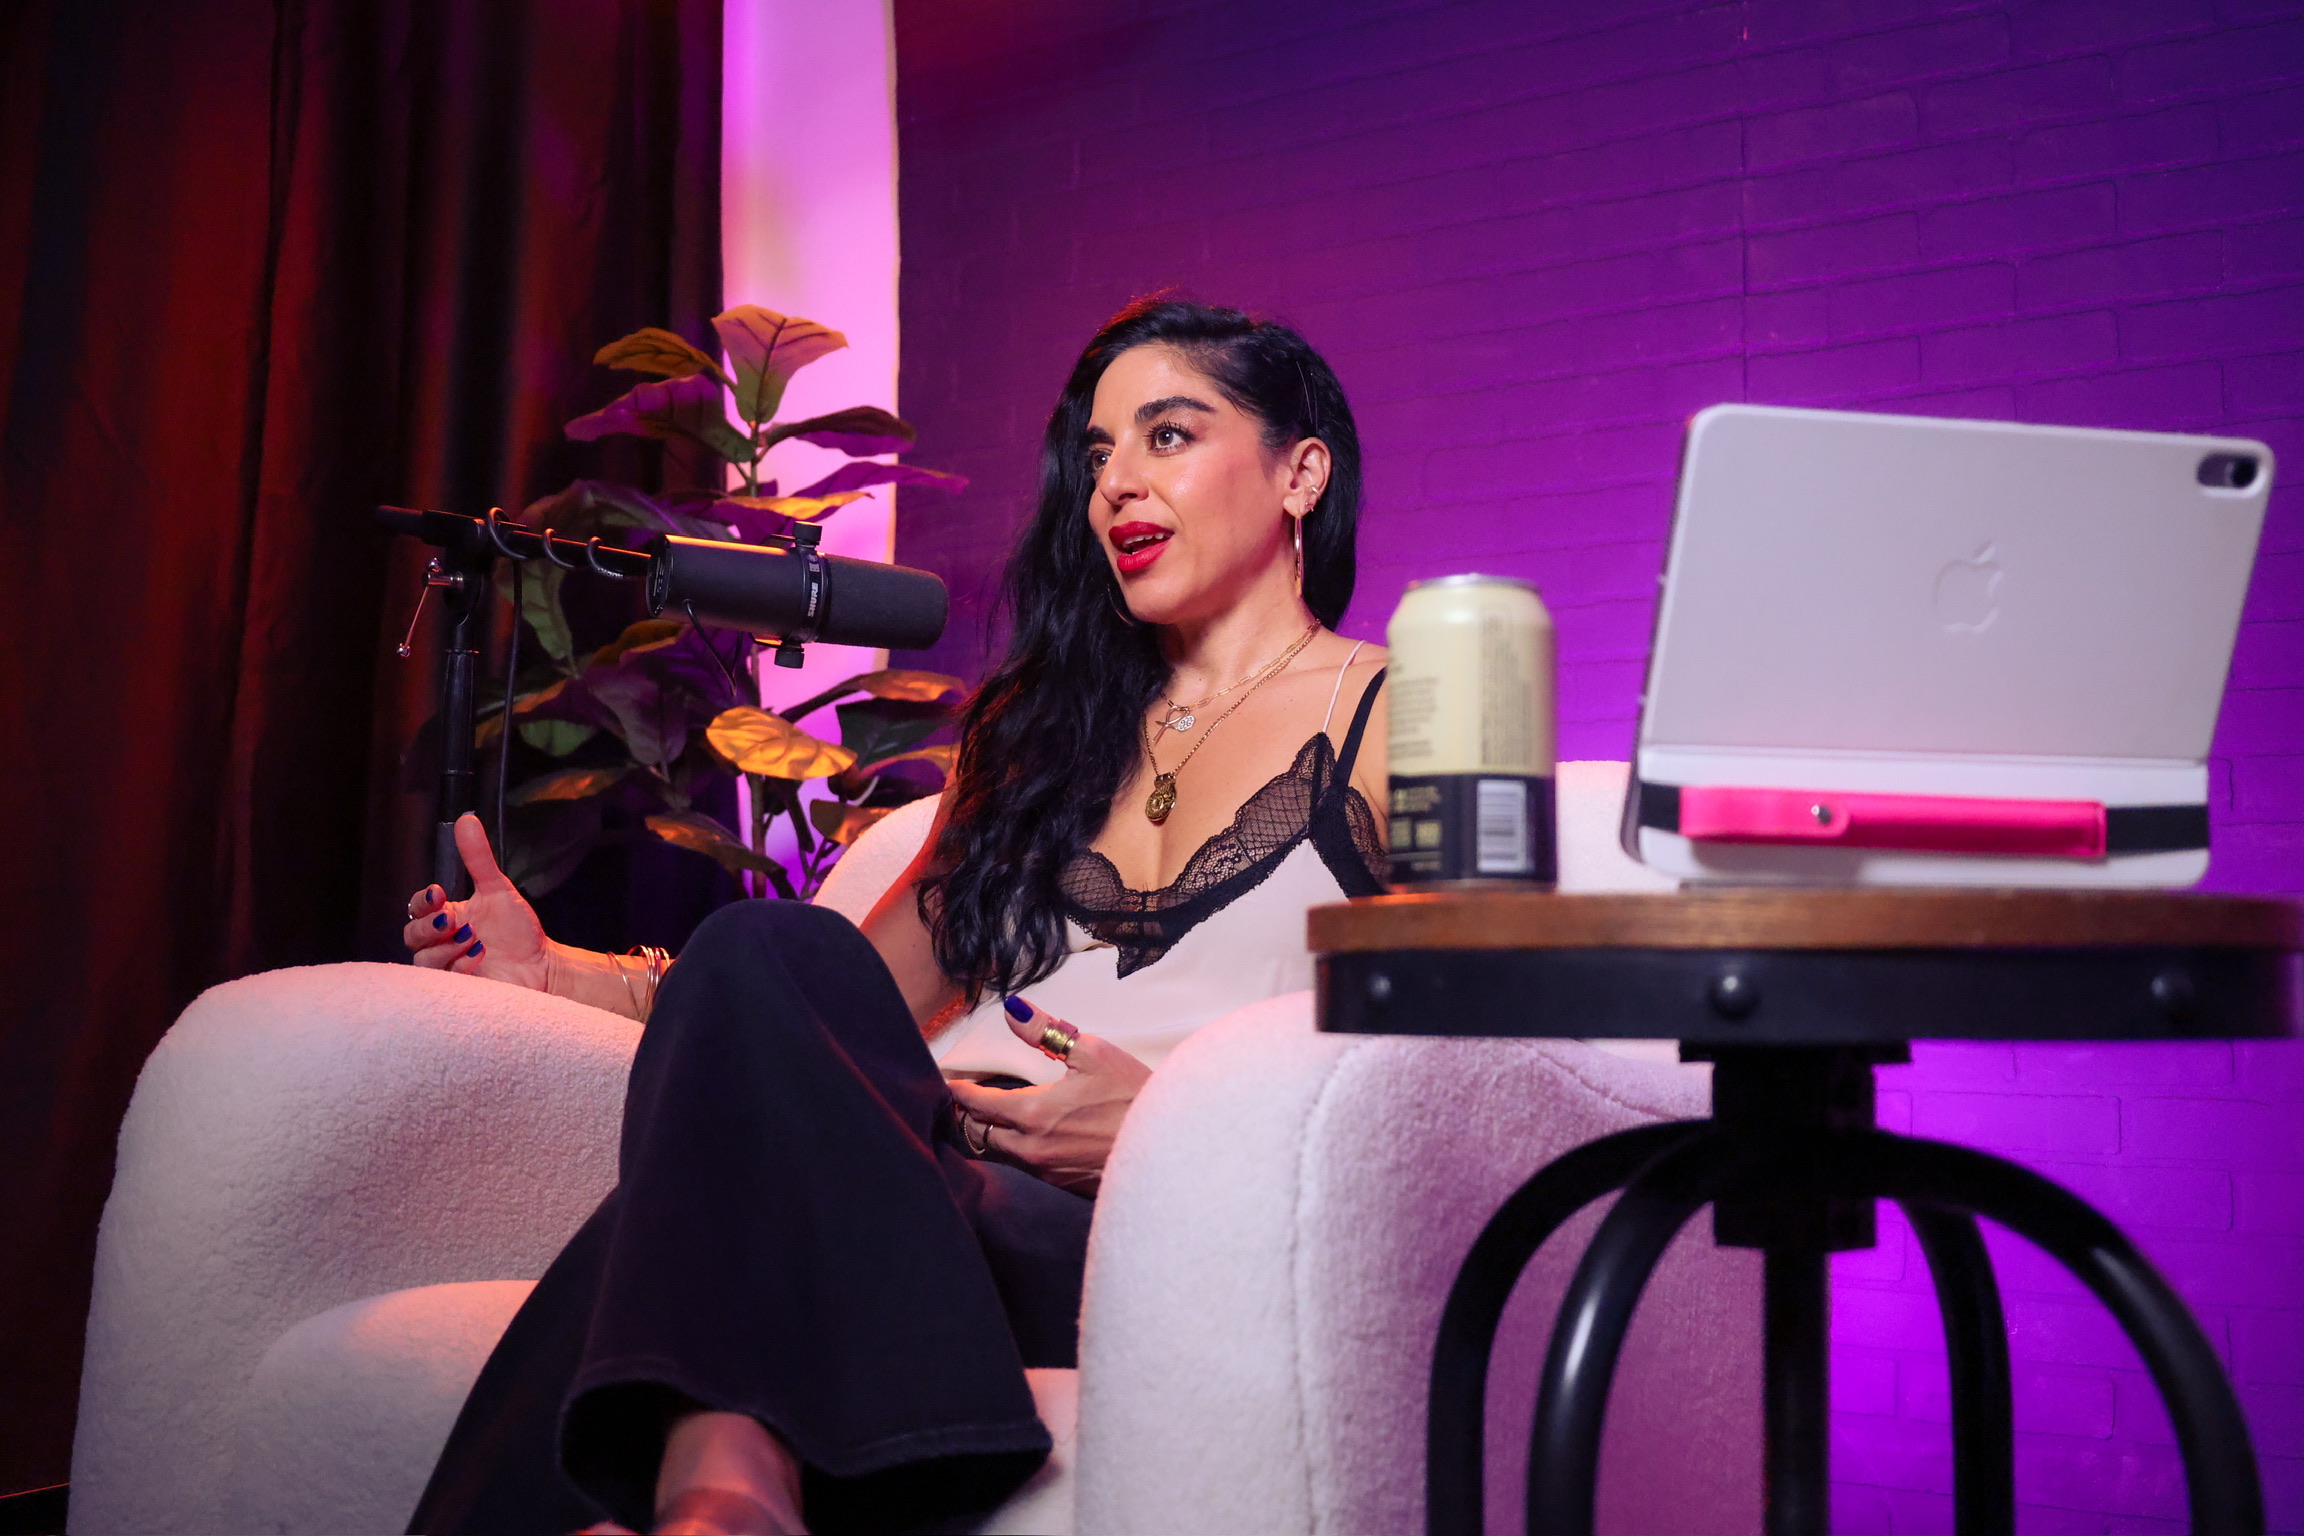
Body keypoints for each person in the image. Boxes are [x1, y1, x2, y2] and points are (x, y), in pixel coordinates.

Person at [402, 299, 1390, 1535]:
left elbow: (1459, 1071)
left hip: (1145, 1233)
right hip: (914, 1185)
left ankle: (723, 1488)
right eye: (1096, 454)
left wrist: (1171, 1129)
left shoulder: (1395, 716)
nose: (1116, 485)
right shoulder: (1036, 739)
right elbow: (844, 999)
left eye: (1169, 435)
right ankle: (727, 1497)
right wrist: (565, 974)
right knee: (769, 948)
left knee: (691, 1217)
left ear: (1302, 473)